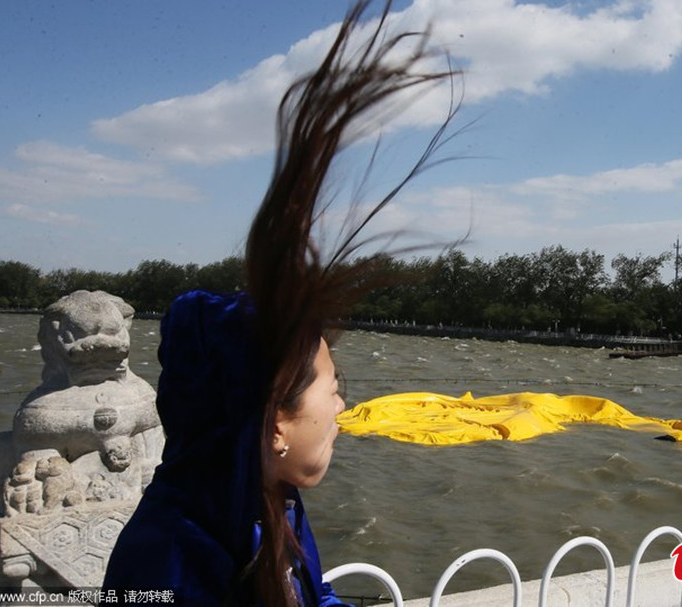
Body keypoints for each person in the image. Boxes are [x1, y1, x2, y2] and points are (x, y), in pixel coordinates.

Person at [102, 1, 457, 605]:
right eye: (333, 388)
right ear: (274, 425)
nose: (343, 405)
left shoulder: (268, 502)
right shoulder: (167, 561)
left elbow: (314, 593)